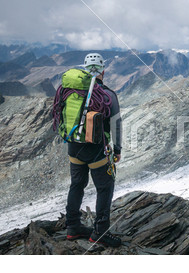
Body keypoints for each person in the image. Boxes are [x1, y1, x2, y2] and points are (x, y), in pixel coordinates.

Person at [64, 53, 123, 247]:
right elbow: (116, 124)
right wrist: (117, 149)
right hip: (96, 149)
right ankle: (100, 231)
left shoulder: (70, 91)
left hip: (74, 146)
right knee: (105, 187)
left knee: (77, 185)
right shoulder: (108, 94)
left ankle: (72, 227)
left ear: (84, 69)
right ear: (103, 71)